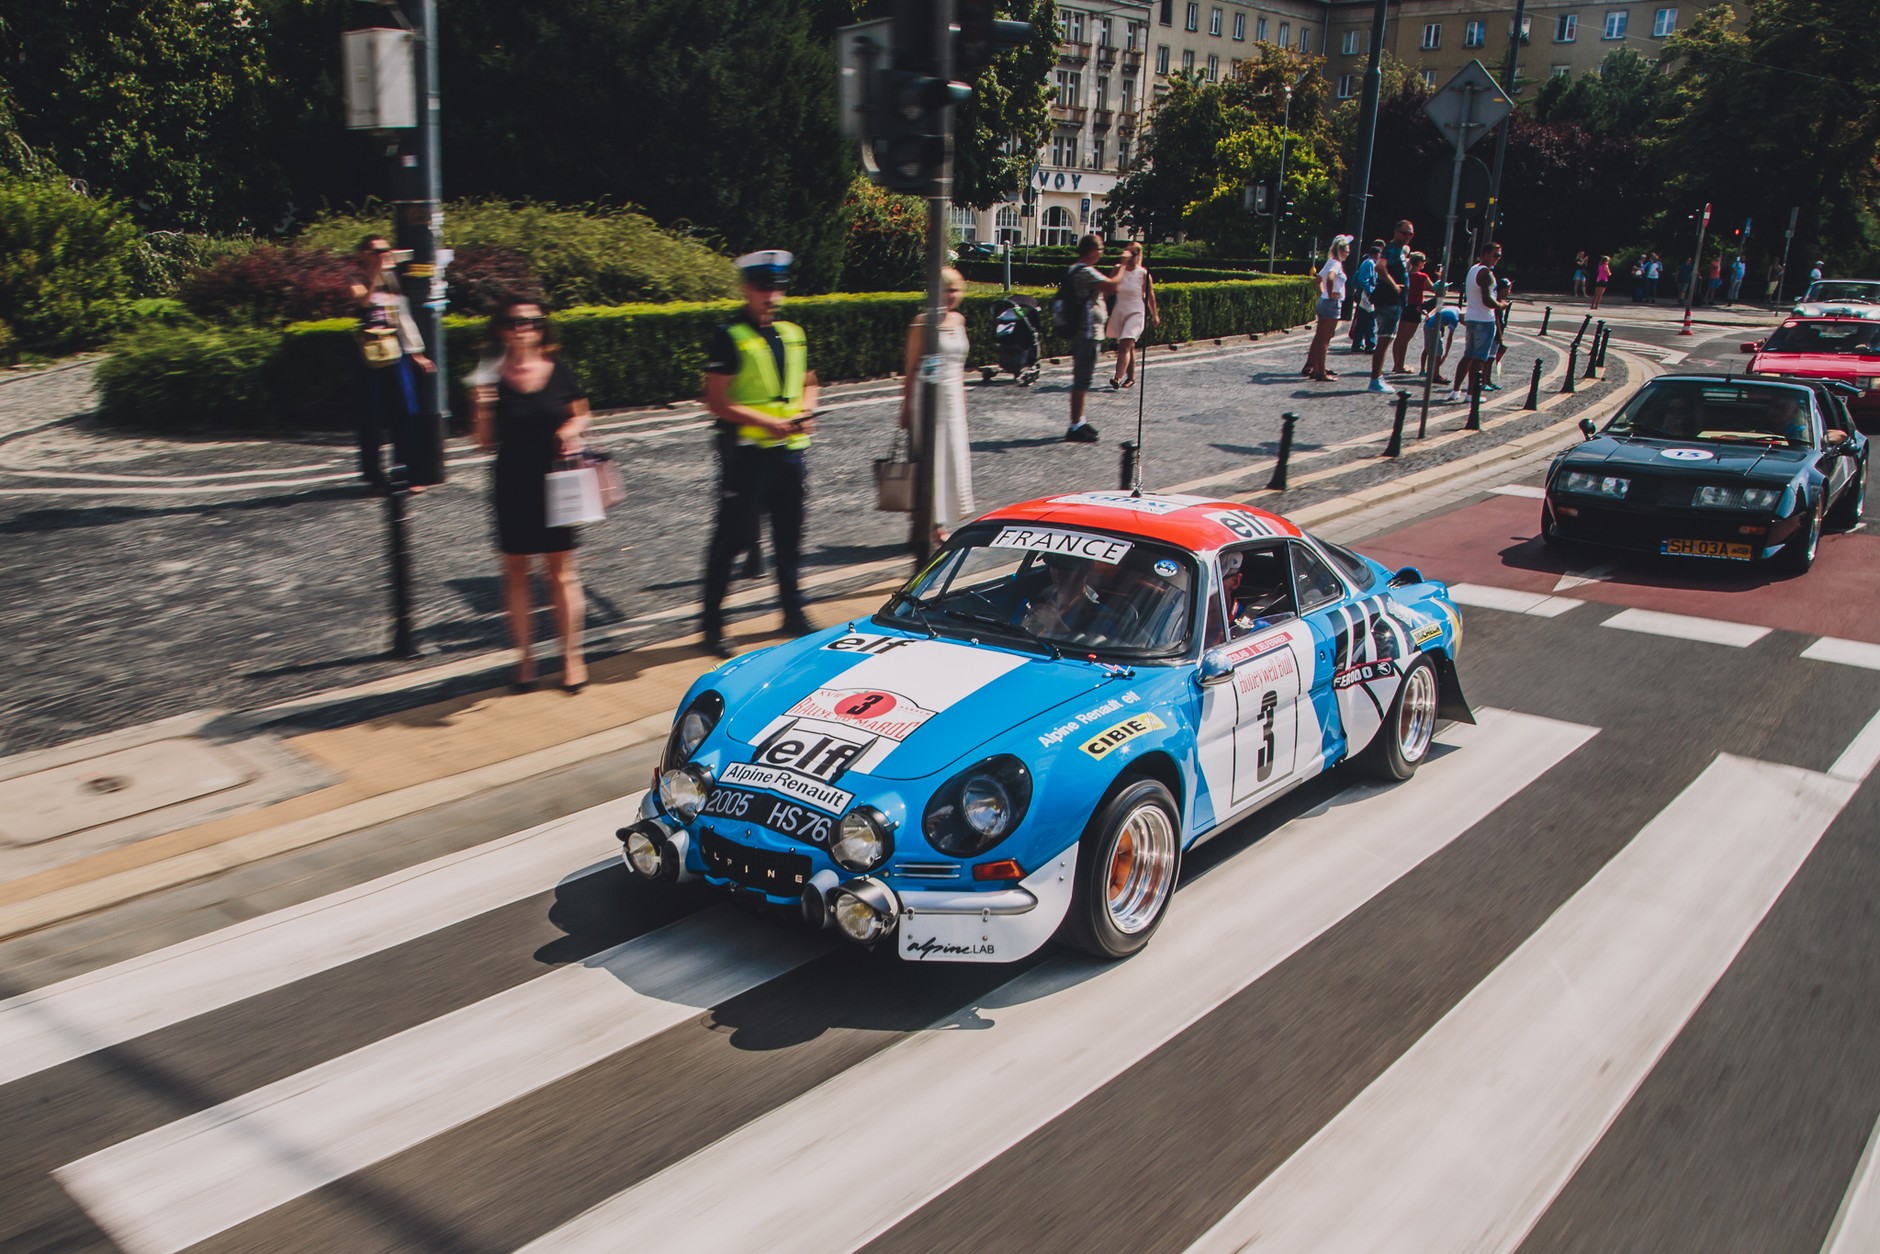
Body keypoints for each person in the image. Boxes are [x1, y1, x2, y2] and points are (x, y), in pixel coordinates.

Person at [699, 250, 822, 659]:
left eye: (777, 287)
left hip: (790, 453)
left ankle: (791, 612)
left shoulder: (793, 332)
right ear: (747, 288)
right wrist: (764, 422)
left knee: (790, 538)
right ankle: (712, 624)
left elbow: (809, 380)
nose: (770, 295)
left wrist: (807, 408)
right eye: (762, 287)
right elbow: (715, 399)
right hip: (748, 456)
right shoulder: (730, 335)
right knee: (732, 539)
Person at [471, 299, 591, 692]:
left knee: (561, 572)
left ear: (542, 328)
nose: (523, 329)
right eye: (514, 322)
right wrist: (484, 408)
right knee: (516, 571)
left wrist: (571, 430)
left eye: (532, 322)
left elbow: (582, 413)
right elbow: (483, 442)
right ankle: (526, 661)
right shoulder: (489, 376)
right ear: (501, 330)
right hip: (512, 481)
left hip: (557, 480)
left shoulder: (558, 370)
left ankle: (572, 658)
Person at [349, 235, 435, 494]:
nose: (384, 254)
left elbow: (403, 317)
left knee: (406, 412)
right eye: (377, 251)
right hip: (368, 353)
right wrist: (375, 271)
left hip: (394, 352)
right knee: (372, 416)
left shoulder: (392, 279)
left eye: (386, 250)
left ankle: (411, 471)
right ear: (365, 253)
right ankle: (374, 475)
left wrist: (416, 352)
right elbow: (363, 302)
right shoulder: (357, 278)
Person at [898, 267, 975, 547]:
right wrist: (905, 404)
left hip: (953, 397)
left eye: (954, 289)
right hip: (926, 397)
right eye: (944, 289)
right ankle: (933, 524)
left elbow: (962, 366)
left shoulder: (959, 320)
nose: (950, 295)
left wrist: (963, 400)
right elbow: (910, 366)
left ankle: (931, 519)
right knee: (930, 459)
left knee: (952, 458)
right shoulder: (922, 322)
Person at [1062, 233, 1121, 443]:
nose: (1102, 253)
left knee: (1082, 378)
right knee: (1082, 379)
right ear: (1093, 251)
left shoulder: (1075, 268)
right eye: (1101, 249)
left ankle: (1079, 420)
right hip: (1086, 332)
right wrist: (1122, 266)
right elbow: (1113, 286)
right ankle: (1074, 426)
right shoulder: (1085, 271)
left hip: (1083, 330)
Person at [1448, 242, 1506, 402]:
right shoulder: (1485, 273)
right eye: (1495, 255)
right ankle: (1471, 394)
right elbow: (1488, 300)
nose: (1497, 259)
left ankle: (1455, 391)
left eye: (1499, 256)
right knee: (1479, 359)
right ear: (1485, 254)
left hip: (1472, 317)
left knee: (1467, 356)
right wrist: (1501, 305)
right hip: (1484, 319)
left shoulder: (1473, 270)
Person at [1106, 242, 1159, 389]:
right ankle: (1131, 377)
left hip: (1136, 312)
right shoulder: (1118, 269)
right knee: (1127, 345)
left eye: (1133, 254)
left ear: (1138, 256)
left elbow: (1150, 296)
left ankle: (1117, 377)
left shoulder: (1143, 274)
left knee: (1125, 344)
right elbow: (1109, 288)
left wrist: (1155, 315)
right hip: (1120, 310)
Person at [1303, 236, 1352, 382]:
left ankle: (1317, 367)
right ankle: (1320, 371)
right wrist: (1330, 294)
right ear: (1341, 250)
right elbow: (1330, 278)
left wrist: (1323, 294)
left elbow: (1319, 279)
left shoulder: (1330, 262)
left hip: (1324, 301)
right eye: (1347, 251)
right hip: (1331, 303)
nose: (1348, 254)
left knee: (1320, 337)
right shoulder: (1336, 264)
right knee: (1325, 339)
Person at [1392, 250, 1432, 375]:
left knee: (1399, 338)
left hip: (1404, 307)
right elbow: (1435, 289)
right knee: (1406, 339)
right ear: (1419, 262)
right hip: (1415, 308)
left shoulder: (1405, 275)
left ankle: (1396, 364)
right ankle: (1400, 366)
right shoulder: (1422, 277)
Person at [1348, 241, 1382, 353]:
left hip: (1364, 295)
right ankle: (1370, 344)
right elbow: (1364, 280)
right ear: (1376, 254)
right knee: (1369, 321)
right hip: (1366, 296)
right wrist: (1371, 292)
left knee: (1362, 322)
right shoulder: (1370, 264)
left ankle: (1357, 344)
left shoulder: (1367, 262)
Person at [1422, 305, 1461, 385]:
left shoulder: (1456, 309)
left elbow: (1439, 307)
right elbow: (1449, 338)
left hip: (1428, 325)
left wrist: (1429, 314)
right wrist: (1446, 354)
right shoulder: (1455, 320)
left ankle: (1431, 373)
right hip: (1432, 328)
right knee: (1438, 352)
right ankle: (1435, 376)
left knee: (1432, 351)